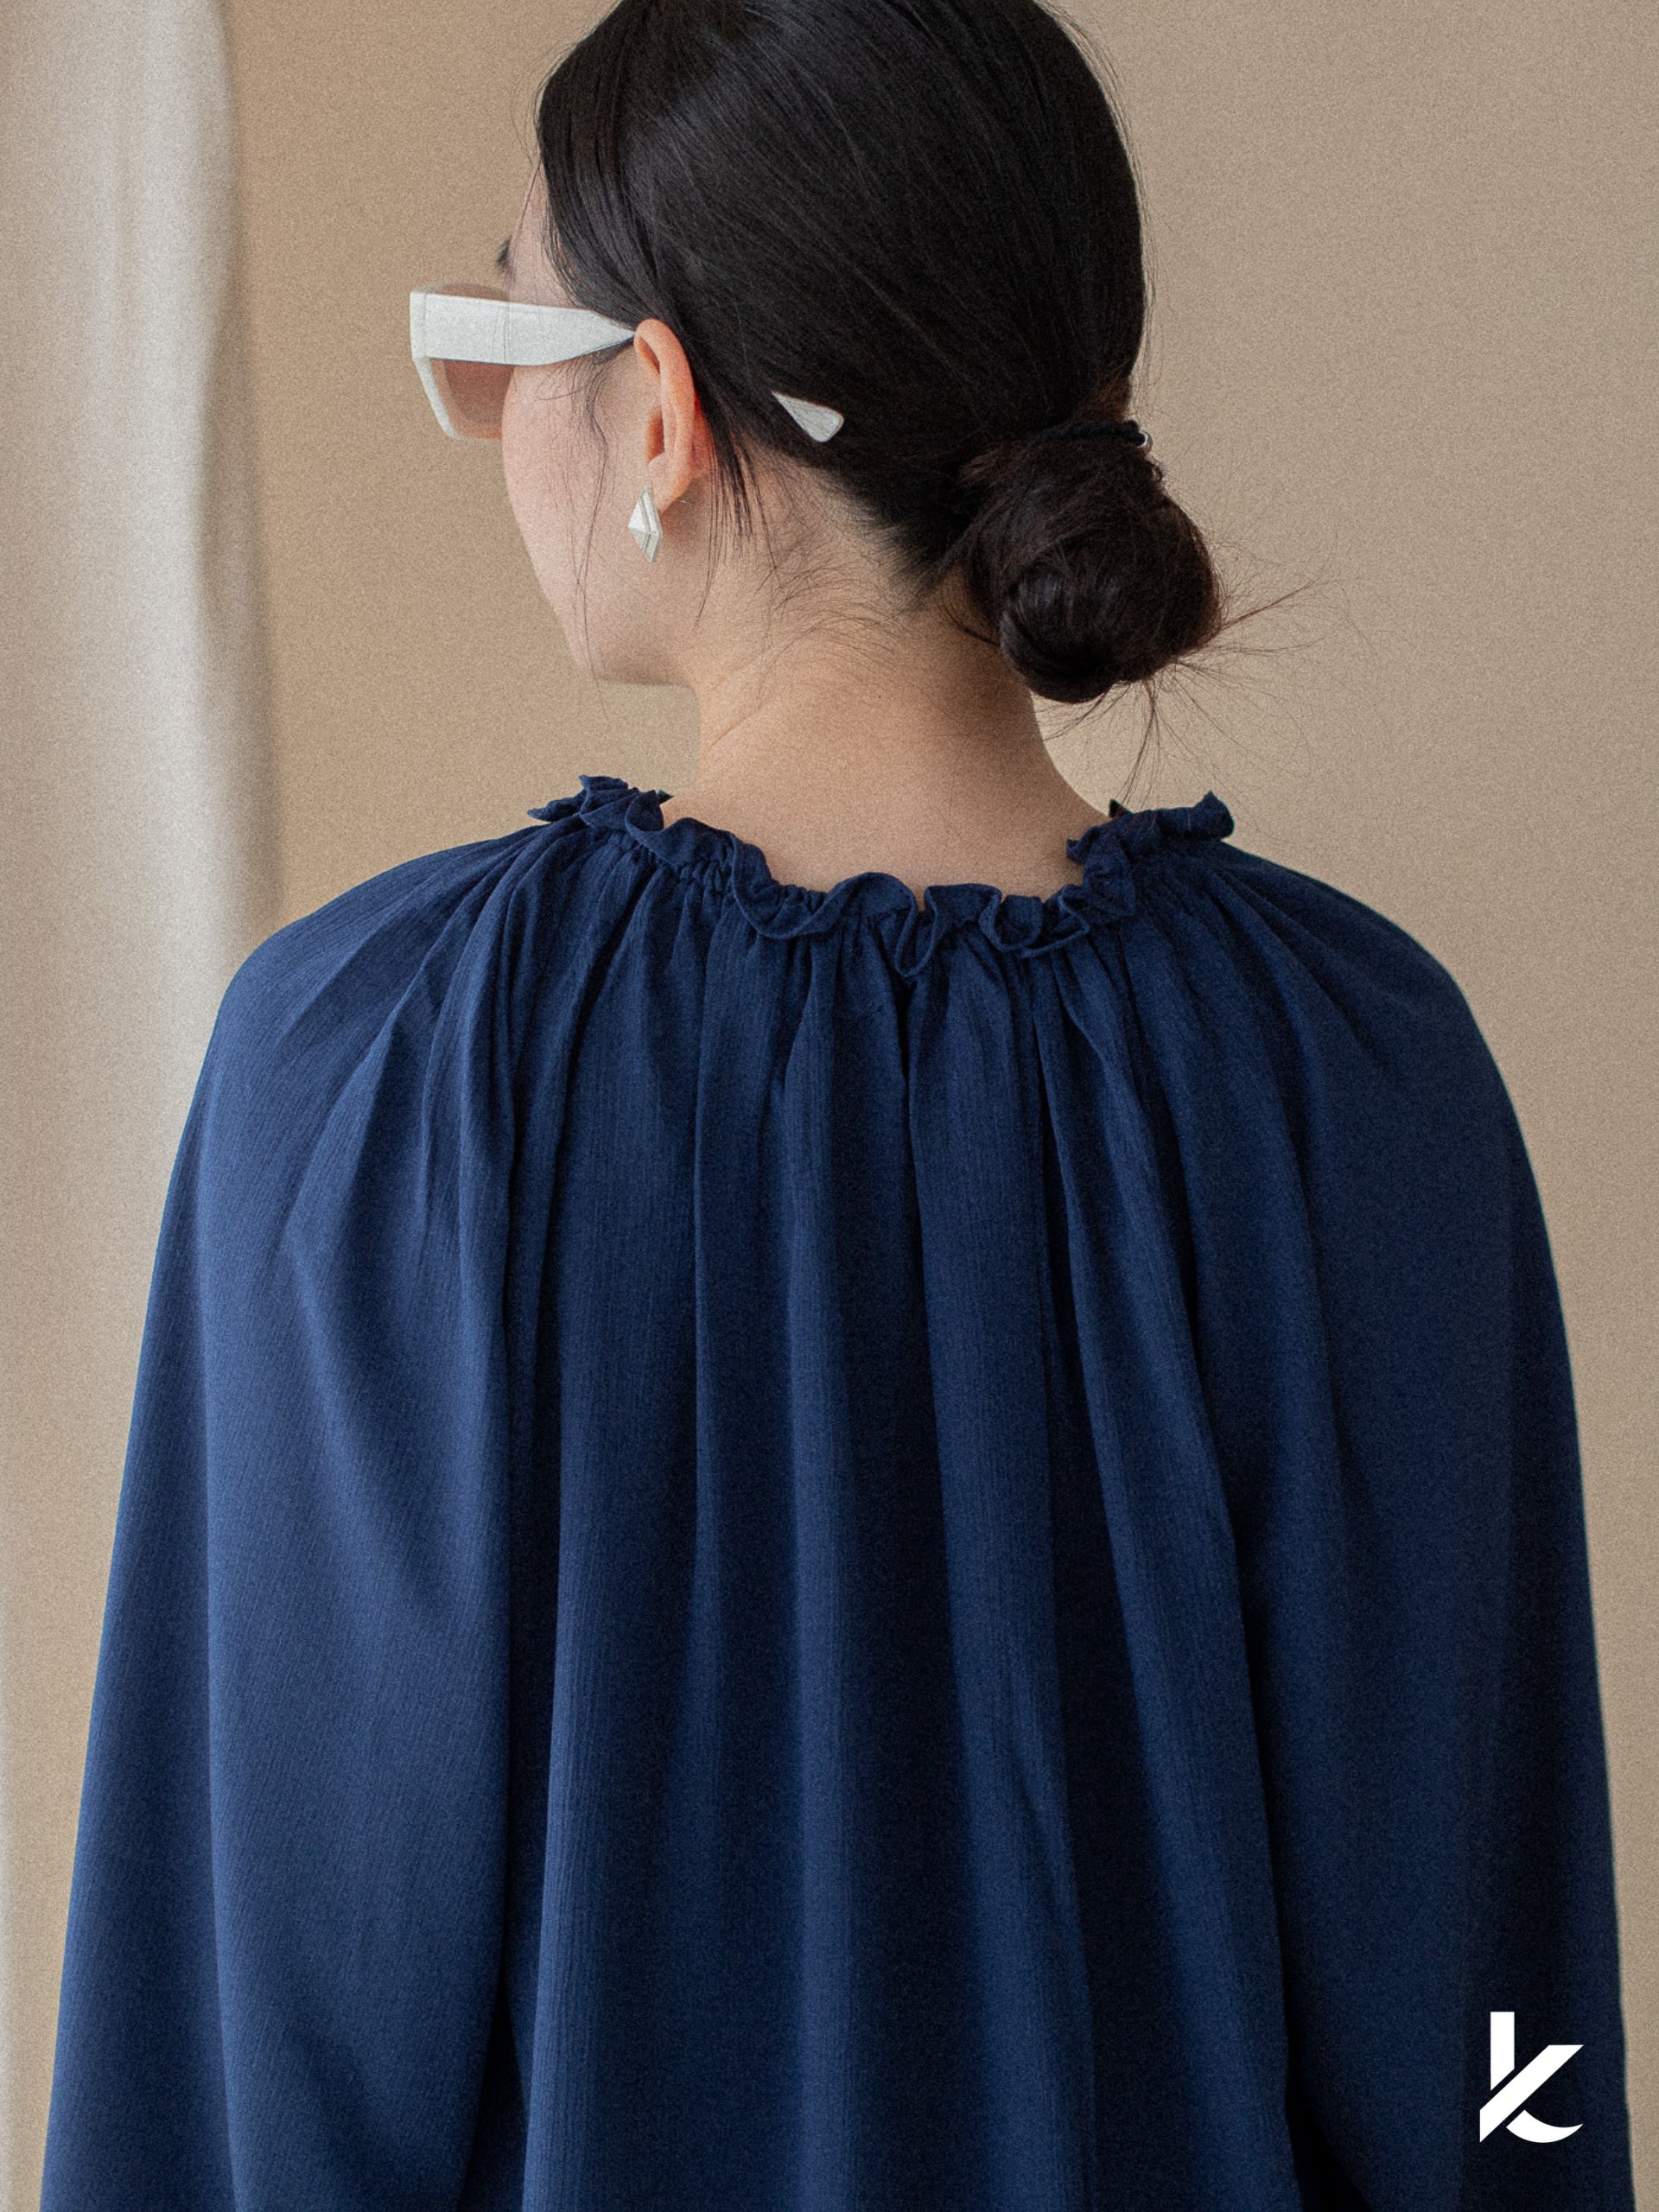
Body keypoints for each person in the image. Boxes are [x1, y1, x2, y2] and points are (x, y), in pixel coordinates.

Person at [41, 0, 1637, 2202]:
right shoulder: (1360, 1075)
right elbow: (1492, 2010)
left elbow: (247, 2021)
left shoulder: (380, 1076)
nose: (490, 418)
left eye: (502, 337)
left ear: (662, 410)